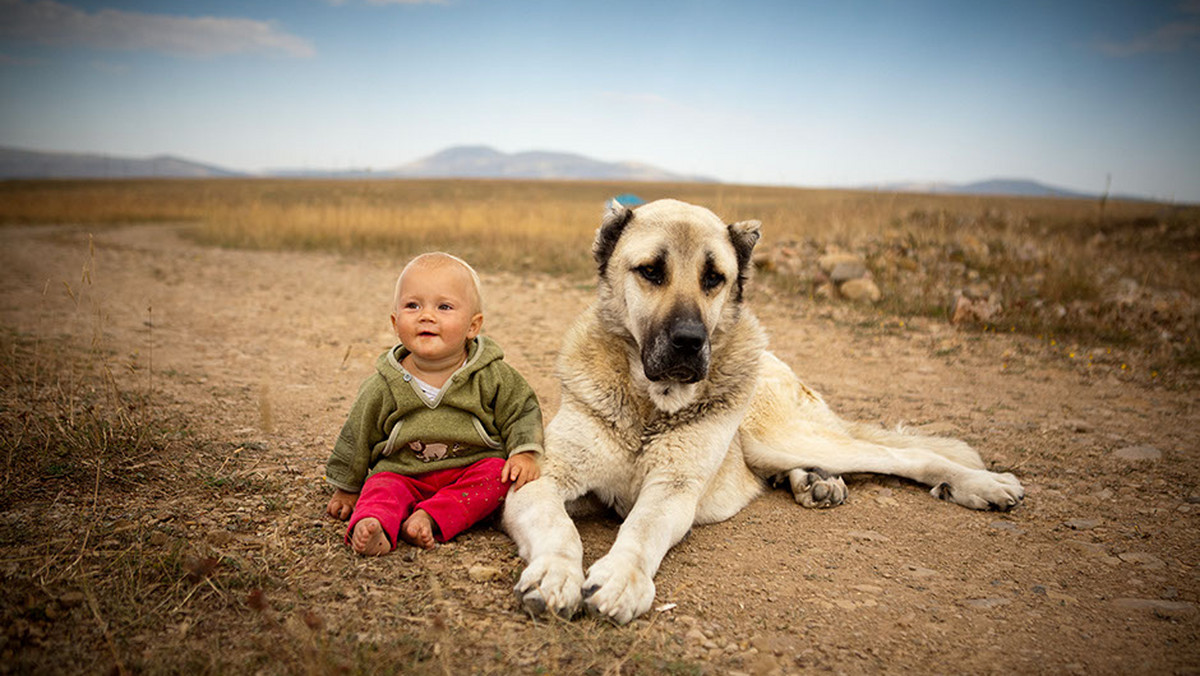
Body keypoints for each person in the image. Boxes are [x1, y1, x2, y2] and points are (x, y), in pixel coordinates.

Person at [324, 252, 543, 554]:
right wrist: (347, 487)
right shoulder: (383, 385)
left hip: (470, 468)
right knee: (380, 486)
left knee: (497, 474)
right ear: (394, 322)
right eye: (413, 306)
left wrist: (526, 452)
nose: (426, 316)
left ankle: (428, 518)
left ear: (473, 326)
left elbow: (522, 410)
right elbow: (357, 434)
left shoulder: (492, 375)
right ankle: (374, 526)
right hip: (403, 471)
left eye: (444, 306)